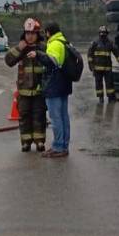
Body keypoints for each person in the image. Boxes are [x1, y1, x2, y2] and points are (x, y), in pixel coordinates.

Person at [5, 18, 48, 152]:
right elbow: (8, 60)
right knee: (24, 117)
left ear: (37, 34)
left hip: (39, 91)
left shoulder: (43, 48)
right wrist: (19, 48)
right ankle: (26, 143)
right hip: (23, 92)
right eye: (28, 33)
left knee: (39, 116)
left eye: (33, 33)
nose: (30, 36)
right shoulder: (21, 49)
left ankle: (40, 141)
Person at [36, 21, 72, 158]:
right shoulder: (64, 42)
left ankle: (58, 147)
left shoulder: (55, 44)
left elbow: (53, 62)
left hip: (54, 86)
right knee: (63, 116)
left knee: (56, 117)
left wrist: (38, 55)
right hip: (63, 85)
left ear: (48, 32)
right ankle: (63, 145)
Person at [88, 25, 119, 103]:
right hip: (97, 69)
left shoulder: (110, 43)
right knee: (99, 84)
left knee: (110, 84)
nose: (103, 34)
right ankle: (101, 98)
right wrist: (90, 64)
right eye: (101, 33)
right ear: (99, 33)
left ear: (107, 33)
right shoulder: (95, 43)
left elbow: (116, 52)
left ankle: (111, 98)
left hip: (107, 68)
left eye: (104, 33)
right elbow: (90, 54)